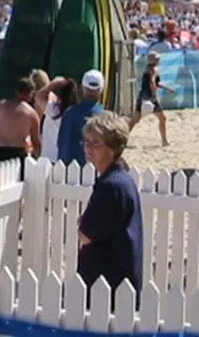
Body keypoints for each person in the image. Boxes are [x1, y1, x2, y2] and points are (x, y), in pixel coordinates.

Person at [78, 111, 143, 294]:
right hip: (117, 282)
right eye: (86, 141)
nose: (88, 147)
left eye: (96, 143)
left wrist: (82, 223)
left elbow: (86, 234)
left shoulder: (111, 186)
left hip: (109, 284)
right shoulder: (120, 179)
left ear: (112, 148)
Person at [0, 78, 42, 170]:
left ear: (16, 91)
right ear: (31, 93)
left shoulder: (0, 106)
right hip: (17, 153)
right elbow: (36, 141)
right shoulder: (31, 113)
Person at [58, 70, 106, 167]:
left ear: (83, 88)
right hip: (96, 171)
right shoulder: (106, 117)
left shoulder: (69, 113)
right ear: (101, 89)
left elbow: (62, 143)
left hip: (67, 170)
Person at [129, 53, 171, 147]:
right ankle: (164, 141)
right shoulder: (153, 69)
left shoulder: (148, 69)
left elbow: (156, 83)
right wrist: (153, 94)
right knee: (162, 119)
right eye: (157, 59)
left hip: (143, 96)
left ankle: (164, 141)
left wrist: (167, 88)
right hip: (149, 97)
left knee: (135, 120)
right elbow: (152, 82)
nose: (159, 61)